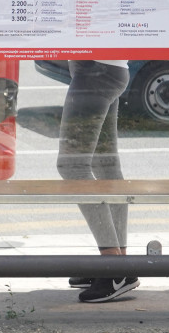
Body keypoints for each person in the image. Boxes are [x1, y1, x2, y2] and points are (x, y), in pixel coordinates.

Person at [57, 59, 139, 303]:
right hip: (109, 69)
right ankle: (119, 264)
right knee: (106, 165)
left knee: (72, 165)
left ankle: (113, 266)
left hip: (95, 72)